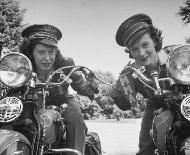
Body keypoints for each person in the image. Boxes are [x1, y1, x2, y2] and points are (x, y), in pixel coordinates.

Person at [19, 24, 98, 155]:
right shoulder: (22, 66)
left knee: (75, 114)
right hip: (30, 103)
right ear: (31, 53)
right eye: (41, 52)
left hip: (63, 102)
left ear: (56, 52)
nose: (47, 58)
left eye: (51, 52)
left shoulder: (66, 64)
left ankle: (76, 152)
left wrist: (90, 86)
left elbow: (81, 85)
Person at [102, 13, 170, 155]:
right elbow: (128, 104)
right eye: (134, 49)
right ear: (130, 52)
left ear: (155, 41)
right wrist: (116, 94)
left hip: (185, 99)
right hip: (155, 105)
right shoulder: (127, 74)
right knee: (146, 146)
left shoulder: (175, 54)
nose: (141, 53)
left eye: (145, 45)